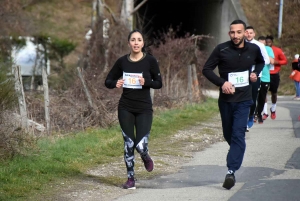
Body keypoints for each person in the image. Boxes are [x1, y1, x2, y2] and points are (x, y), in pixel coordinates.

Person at [202, 19, 264, 190]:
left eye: (239, 32)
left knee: (238, 134)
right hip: (226, 101)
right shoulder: (222, 49)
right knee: (229, 135)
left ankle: (231, 171)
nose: (235, 35)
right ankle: (238, 150)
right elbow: (206, 69)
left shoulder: (254, 49)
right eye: (232, 32)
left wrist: (255, 74)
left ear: (245, 33)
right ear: (229, 33)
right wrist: (222, 83)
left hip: (244, 100)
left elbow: (260, 62)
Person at [105, 29, 162, 189]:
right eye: (133, 40)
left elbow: (159, 83)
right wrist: (114, 83)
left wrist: (147, 82)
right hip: (125, 107)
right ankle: (131, 179)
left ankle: (145, 155)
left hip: (144, 108)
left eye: (139, 40)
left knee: (140, 145)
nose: (136, 43)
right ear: (129, 43)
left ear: (143, 43)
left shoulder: (150, 61)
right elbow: (108, 80)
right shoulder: (122, 61)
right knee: (129, 143)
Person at [244, 26, 270, 130]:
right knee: (242, 98)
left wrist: (254, 63)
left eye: (251, 33)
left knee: (252, 97)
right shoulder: (241, 45)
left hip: (255, 75)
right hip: (242, 76)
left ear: (254, 34)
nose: (249, 34)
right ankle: (243, 121)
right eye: (247, 32)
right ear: (244, 33)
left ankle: (251, 116)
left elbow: (266, 60)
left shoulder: (259, 45)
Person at [265, 35, 288, 119]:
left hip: (274, 74)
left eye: (269, 42)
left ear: (272, 42)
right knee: (263, 93)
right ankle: (264, 112)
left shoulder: (277, 50)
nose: (267, 44)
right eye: (266, 42)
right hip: (265, 74)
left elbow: (285, 61)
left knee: (274, 93)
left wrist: (276, 62)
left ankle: (273, 109)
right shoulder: (262, 49)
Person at [255, 36, 275, 123]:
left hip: (265, 76)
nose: (262, 42)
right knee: (254, 96)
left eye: (263, 41)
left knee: (262, 97)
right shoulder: (254, 48)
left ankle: (259, 113)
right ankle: (254, 114)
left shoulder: (268, 49)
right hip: (255, 75)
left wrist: (264, 52)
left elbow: (272, 61)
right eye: (260, 41)